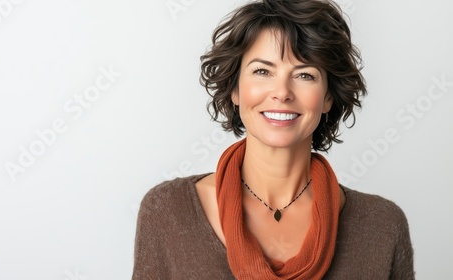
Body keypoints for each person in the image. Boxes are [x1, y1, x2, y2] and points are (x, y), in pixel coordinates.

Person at [132, 0, 415, 279]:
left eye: (305, 74)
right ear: (235, 89)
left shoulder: (382, 226)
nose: (282, 92)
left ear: (328, 97)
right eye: (262, 71)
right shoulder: (168, 211)